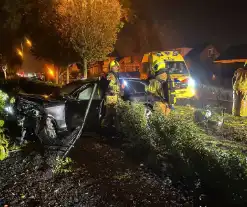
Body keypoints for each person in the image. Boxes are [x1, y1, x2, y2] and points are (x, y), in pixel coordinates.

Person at [101, 59, 121, 129]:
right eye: (115, 66)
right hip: (111, 98)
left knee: (113, 115)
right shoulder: (110, 75)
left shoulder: (115, 75)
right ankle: (103, 128)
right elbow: (108, 86)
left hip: (114, 97)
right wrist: (115, 91)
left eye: (117, 66)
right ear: (111, 67)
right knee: (111, 114)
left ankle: (112, 129)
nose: (117, 68)